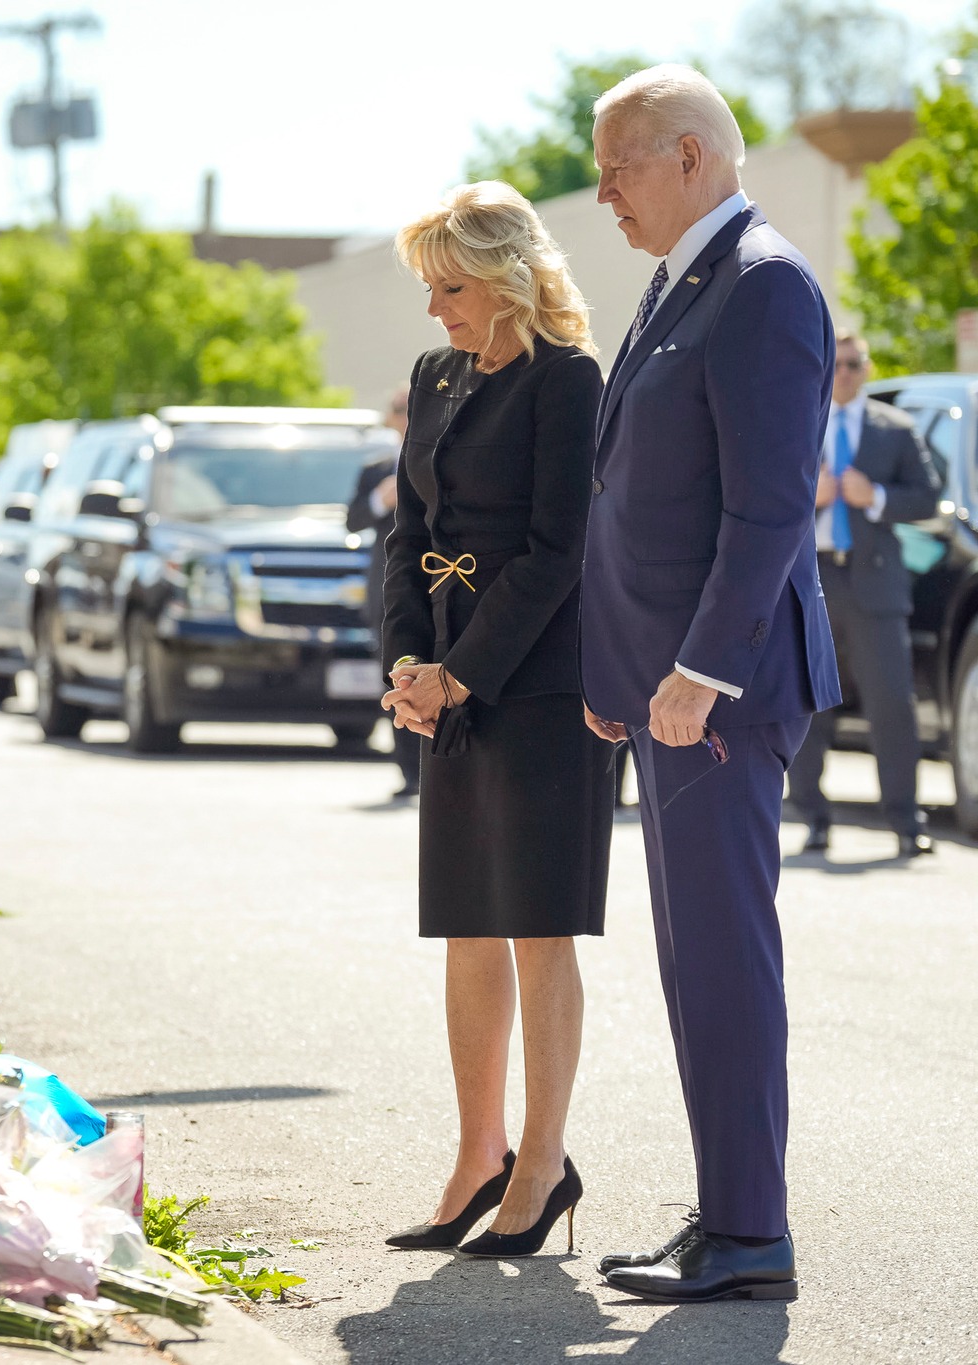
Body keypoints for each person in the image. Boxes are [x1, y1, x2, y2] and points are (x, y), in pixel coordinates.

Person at [582, 66, 840, 1303]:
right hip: (667, 692)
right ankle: (731, 1212)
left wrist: (693, 670)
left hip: (718, 697)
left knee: (722, 960)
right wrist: (620, 672)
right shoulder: (686, 277)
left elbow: (767, 506)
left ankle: (749, 1236)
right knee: (693, 963)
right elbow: (633, 495)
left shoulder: (761, 283)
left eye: (616, 164)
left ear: (688, 155)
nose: (600, 193)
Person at [379, 182, 610, 1259]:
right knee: (463, 918)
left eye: (451, 287)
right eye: (429, 289)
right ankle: (477, 1157)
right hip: (446, 677)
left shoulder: (567, 381)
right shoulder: (433, 377)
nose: (435, 310)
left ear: (508, 277)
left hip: (537, 681)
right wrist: (406, 660)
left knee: (536, 923)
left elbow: (560, 551)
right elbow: (406, 528)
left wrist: (461, 675)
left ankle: (542, 1160)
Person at [789, 331, 941, 858]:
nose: (846, 373)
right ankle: (812, 817)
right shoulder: (799, 426)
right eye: (839, 364)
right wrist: (812, 496)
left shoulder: (895, 429)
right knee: (810, 704)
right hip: (815, 582)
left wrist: (873, 495)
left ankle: (905, 821)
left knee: (892, 706)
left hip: (876, 584)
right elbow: (761, 494)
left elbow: (929, 497)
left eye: (855, 364)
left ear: (868, 368)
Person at [347, 385, 419, 799]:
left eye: (412, 408)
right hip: (388, 588)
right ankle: (410, 774)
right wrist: (380, 499)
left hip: (433, 583)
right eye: (399, 410)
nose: (406, 416)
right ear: (389, 418)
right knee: (395, 674)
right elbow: (352, 519)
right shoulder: (377, 469)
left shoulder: (444, 458)